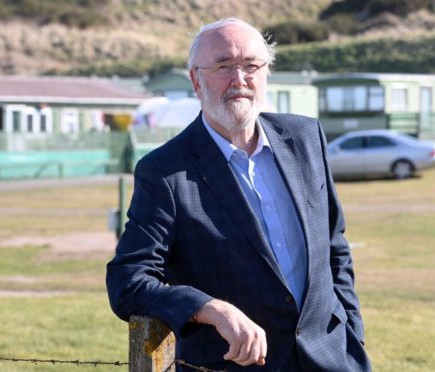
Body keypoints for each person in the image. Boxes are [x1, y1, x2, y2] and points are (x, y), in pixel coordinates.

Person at [106, 17, 371, 371]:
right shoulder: (165, 171)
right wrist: (212, 309)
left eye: (251, 65)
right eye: (223, 66)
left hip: (332, 358)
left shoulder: (306, 138)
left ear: (266, 73)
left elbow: (334, 246)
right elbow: (129, 280)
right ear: (196, 80)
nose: (239, 79)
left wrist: (352, 333)